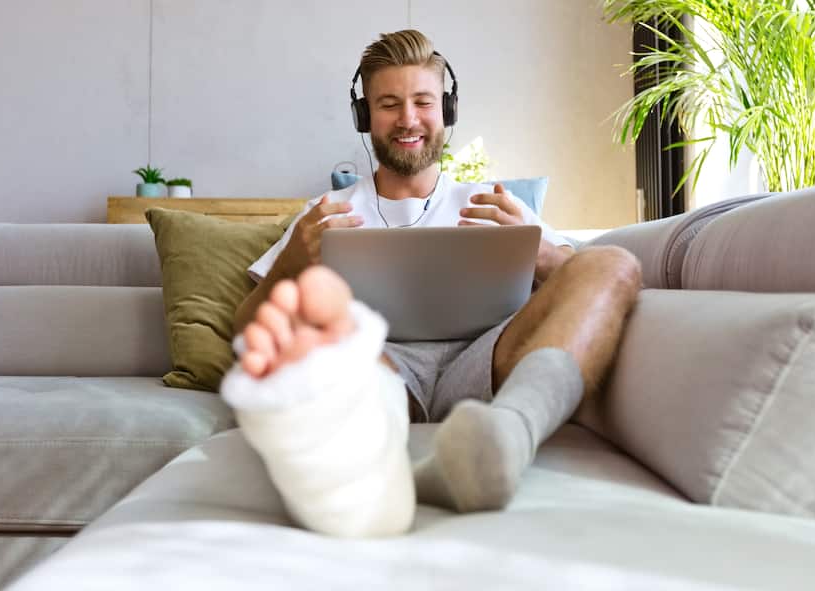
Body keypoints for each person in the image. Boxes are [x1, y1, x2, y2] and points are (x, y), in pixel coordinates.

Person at [221, 29, 641, 538]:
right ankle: (370, 453)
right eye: (388, 104)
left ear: (446, 109)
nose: (408, 119)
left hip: (490, 356)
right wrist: (291, 261)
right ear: (364, 117)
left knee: (613, 263)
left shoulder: (493, 199)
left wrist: (544, 255)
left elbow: (582, 280)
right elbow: (245, 328)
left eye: (423, 101)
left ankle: (509, 434)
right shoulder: (326, 213)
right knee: (314, 322)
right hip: (380, 364)